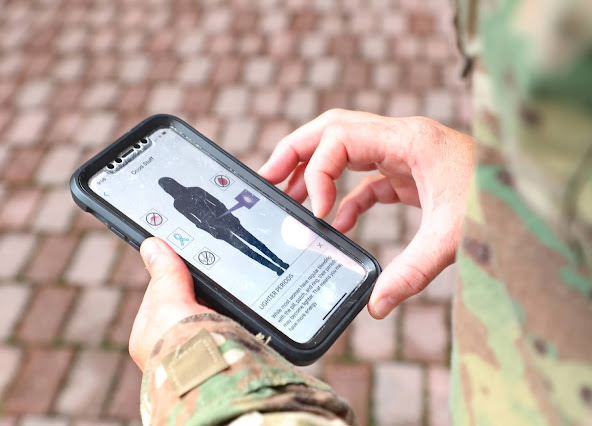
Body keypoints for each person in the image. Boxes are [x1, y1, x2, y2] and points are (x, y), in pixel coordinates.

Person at [129, 0, 592, 424]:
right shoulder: (179, 200)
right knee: (255, 255)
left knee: (264, 252)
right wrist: (497, 186)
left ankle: (279, 268)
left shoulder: (186, 193)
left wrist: (188, 362)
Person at [159, 176, 290, 276]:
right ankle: (275, 268)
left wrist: (230, 216)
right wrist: (210, 230)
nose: (169, 188)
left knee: (253, 242)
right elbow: (196, 222)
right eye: (166, 187)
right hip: (216, 227)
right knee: (246, 249)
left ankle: (279, 262)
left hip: (225, 219)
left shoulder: (194, 190)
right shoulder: (178, 203)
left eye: (168, 185)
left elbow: (218, 203)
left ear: (173, 183)